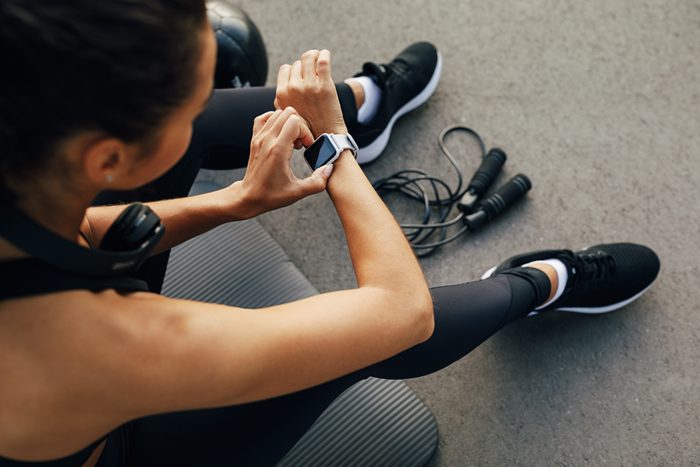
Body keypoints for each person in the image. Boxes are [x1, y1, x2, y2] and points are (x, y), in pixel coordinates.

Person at [0, 1, 660, 466]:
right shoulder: (108, 345)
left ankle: (359, 109)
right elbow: (401, 314)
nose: (210, 95)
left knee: (192, 137)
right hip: (118, 442)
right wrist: (332, 149)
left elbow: (82, 229)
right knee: (350, 342)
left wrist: (233, 201)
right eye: (196, 93)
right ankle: (535, 284)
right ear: (108, 161)